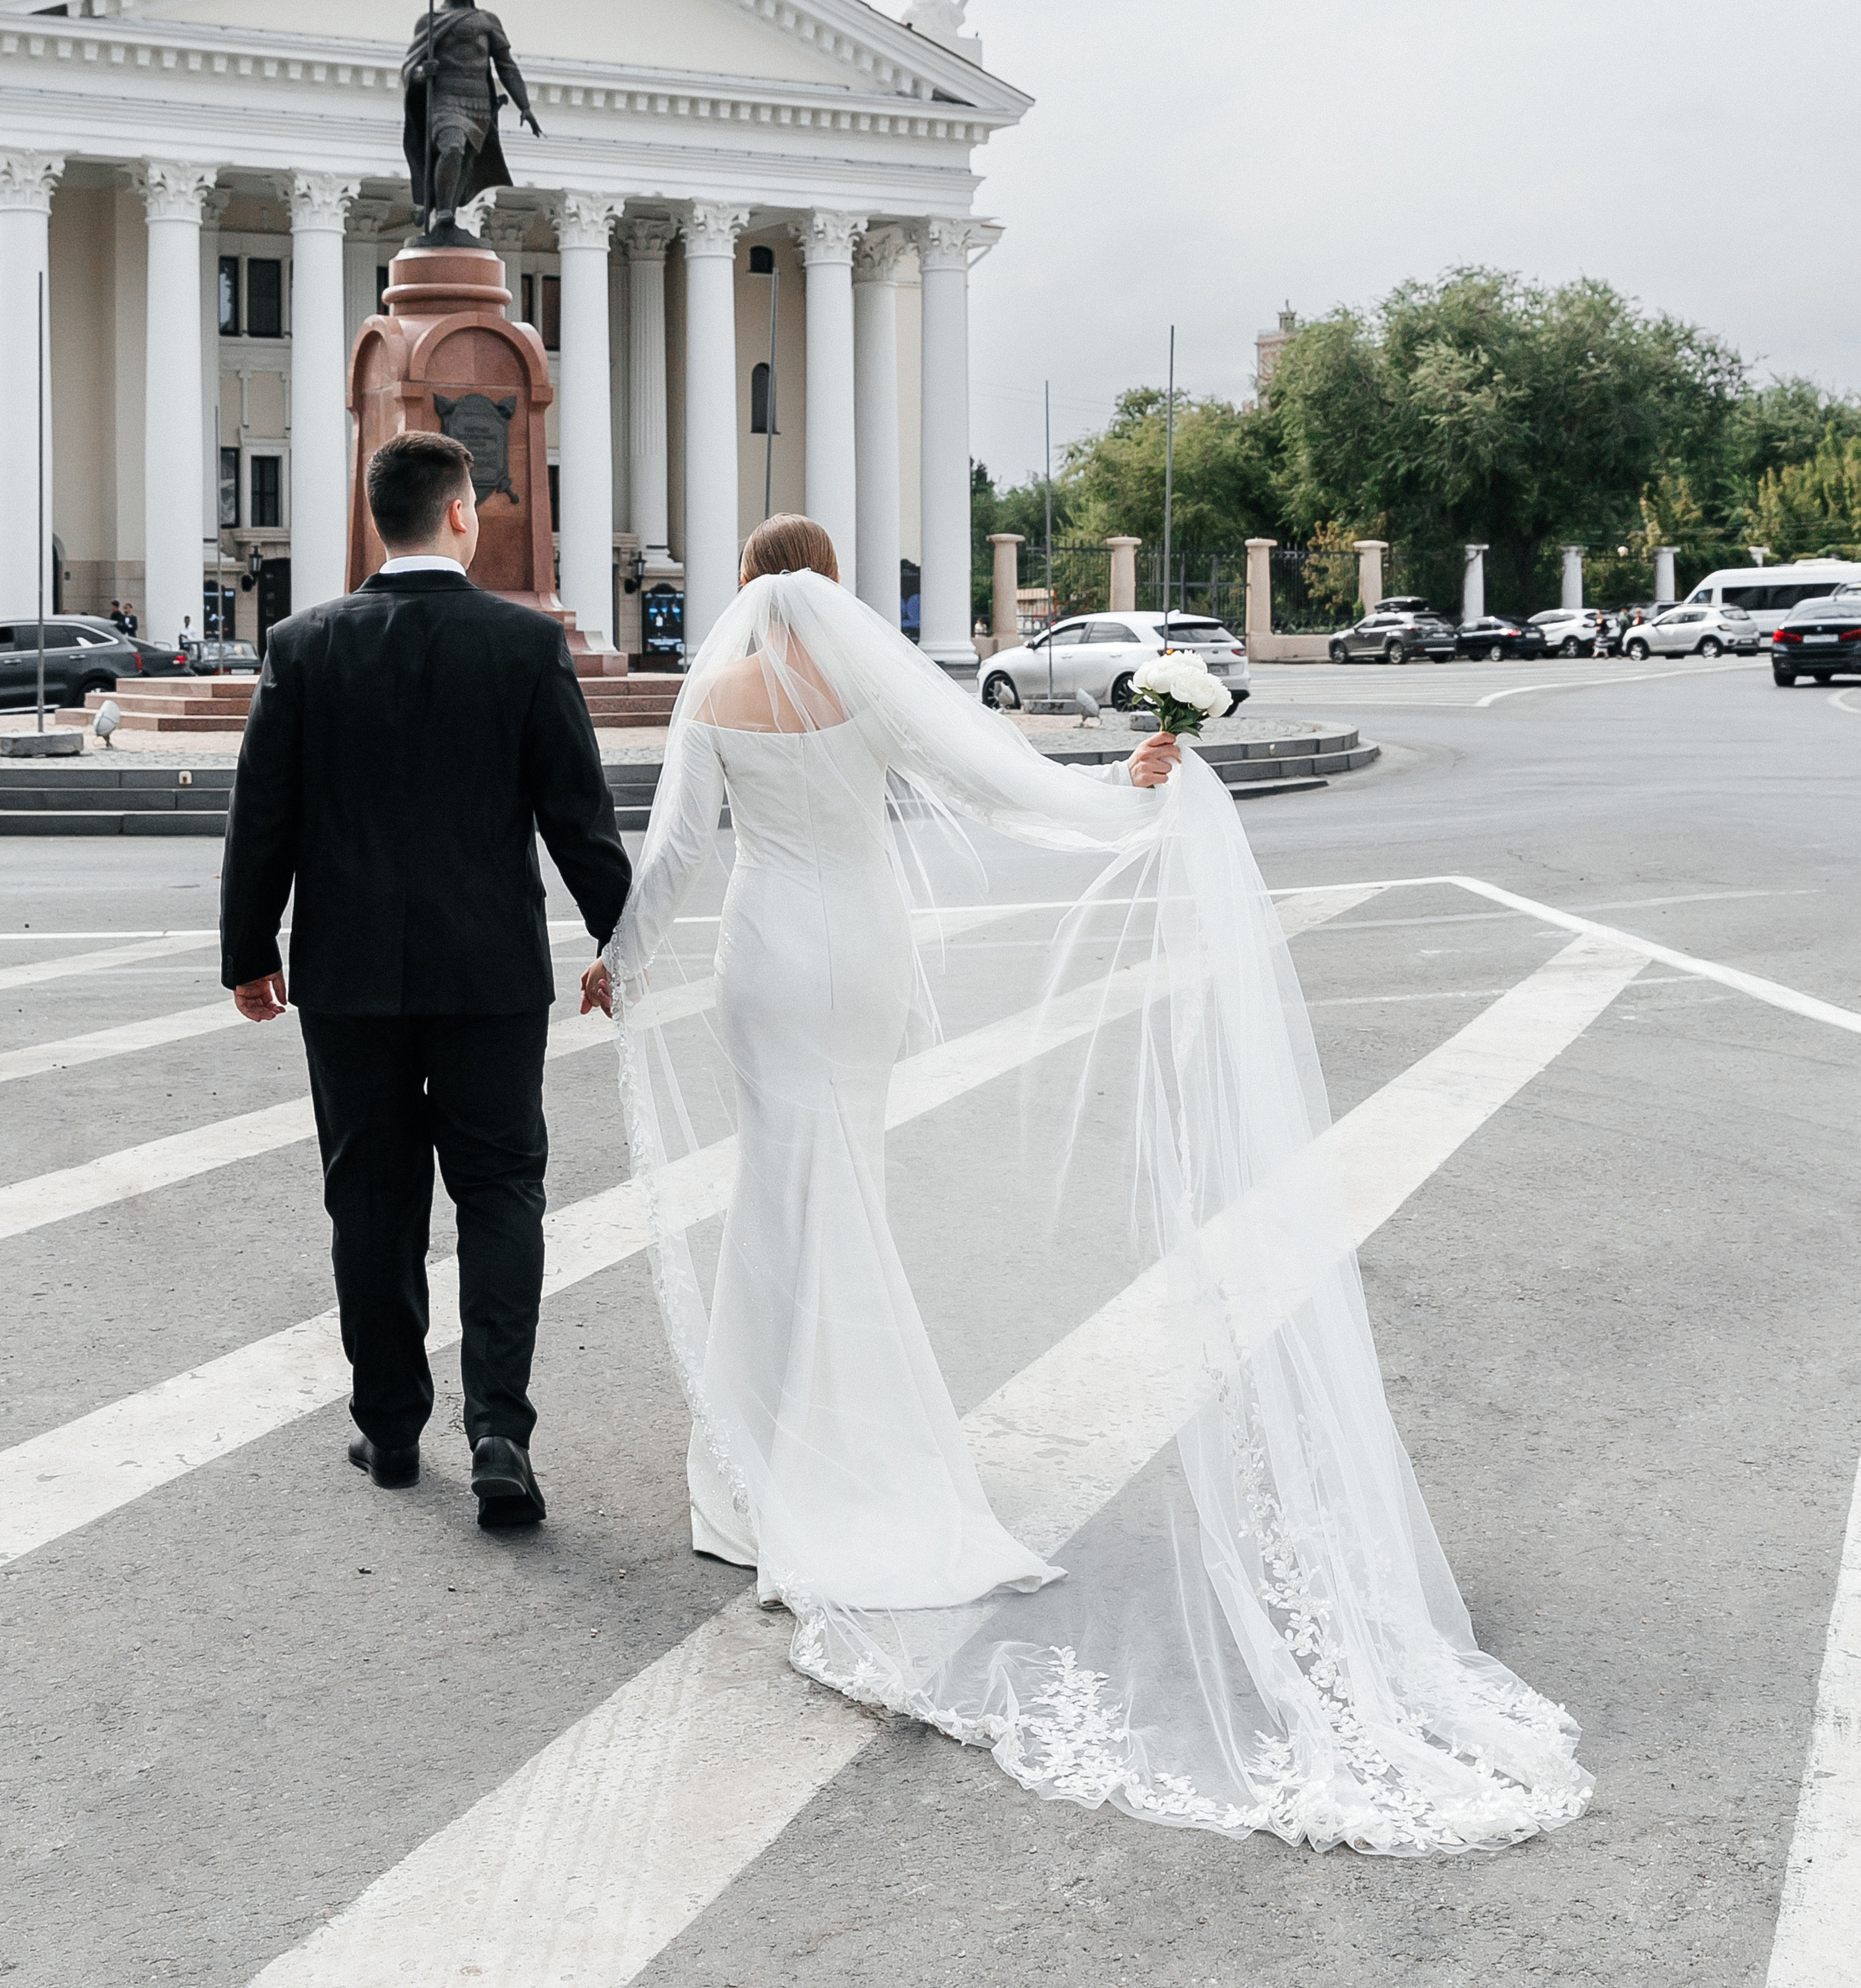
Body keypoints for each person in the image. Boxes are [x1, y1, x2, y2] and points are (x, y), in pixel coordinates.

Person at [583, 513, 1592, 1855]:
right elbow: (996, 781)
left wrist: (620, 960)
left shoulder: (714, 693)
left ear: (747, 590)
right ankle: (835, 1457)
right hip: (862, 951)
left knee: (781, 1196)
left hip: (766, 958)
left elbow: (674, 854)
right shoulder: (872, 683)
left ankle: (763, 1463)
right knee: (841, 1193)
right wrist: (1128, 788)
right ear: (829, 586)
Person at [221, 429, 630, 1524]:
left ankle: (392, 1428)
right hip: (491, 975)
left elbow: (263, 815)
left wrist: (250, 951)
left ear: (375, 520)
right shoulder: (524, 643)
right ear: (461, 512)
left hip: (349, 978)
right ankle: (499, 1430)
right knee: (501, 1190)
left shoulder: (303, 646)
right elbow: (577, 815)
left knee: (370, 1196)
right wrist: (620, 939)